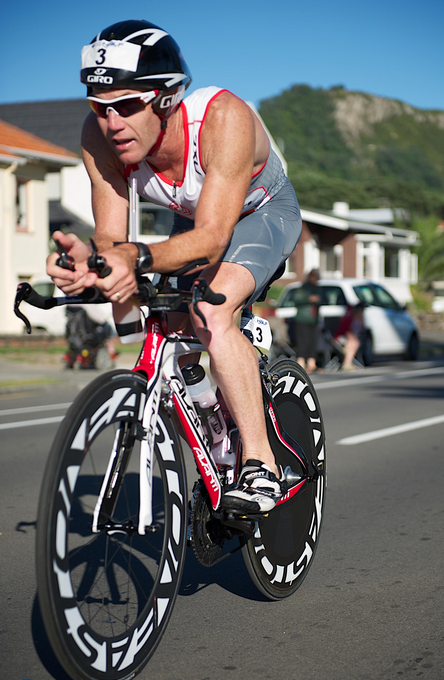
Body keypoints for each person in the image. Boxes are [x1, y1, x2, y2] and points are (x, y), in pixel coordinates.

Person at [46, 20, 302, 513]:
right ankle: (213, 419)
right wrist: (95, 266)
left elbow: (210, 240)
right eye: (100, 107)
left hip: (261, 212)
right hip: (194, 222)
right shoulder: (99, 138)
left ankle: (260, 463)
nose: (111, 122)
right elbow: (111, 236)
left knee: (211, 313)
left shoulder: (222, 118)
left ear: (164, 99)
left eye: (125, 106)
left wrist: (134, 257)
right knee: (163, 328)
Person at [292, 269, 321, 373]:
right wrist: (309, 298)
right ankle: (301, 364)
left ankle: (311, 364)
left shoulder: (317, 288)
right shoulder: (303, 288)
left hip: (313, 319)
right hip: (302, 319)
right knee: (303, 342)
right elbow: (296, 299)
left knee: (312, 342)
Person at [334, 303, 365, 371]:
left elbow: (362, 330)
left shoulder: (359, 320)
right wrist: (353, 339)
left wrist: (362, 320)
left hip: (353, 338)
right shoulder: (349, 319)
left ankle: (347, 363)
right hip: (341, 337)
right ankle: (347, 363)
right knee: (353, 343)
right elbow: (347, 332)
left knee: (354, 343)